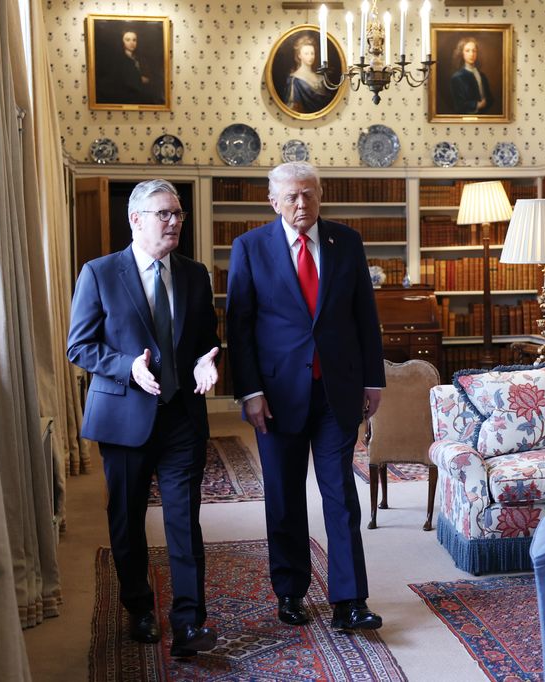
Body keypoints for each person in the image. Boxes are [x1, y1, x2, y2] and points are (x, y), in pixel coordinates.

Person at [225, 161, 386, 631]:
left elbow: (363, 317)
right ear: (273, 201)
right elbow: (240, 327)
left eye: (309, 195)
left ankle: (350, 600)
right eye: (292, 196)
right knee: (284, 495)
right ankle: (291, 592)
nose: (302, 204)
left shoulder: (346, 242)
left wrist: (372, 380)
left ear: (320, 196)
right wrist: (250, 391)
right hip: (275, 396)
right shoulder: (250, 248)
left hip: (337, 391)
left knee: (341, 497)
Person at [67, 179, 221, 657]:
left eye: (178, 213)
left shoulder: (195, 275)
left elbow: (204, 341)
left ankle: (190, 622)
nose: (174, 221)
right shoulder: (99, 273)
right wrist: (125, 365)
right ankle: (139, 608)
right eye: (164, 214)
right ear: (135, 219)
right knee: (128, 519)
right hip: (124, 417)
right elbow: (80, 345)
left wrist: (204, 362)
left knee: (183, 520)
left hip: (181, 416)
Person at [101, 28, 163, 104]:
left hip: (141, 97)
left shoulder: (140, 58)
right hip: (125, 98)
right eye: (127, 40)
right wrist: (139, 79)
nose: (132, 43)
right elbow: (119, 80)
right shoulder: (118, 60)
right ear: (122, 42)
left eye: (134, 40)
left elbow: (149, 77)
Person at [283, 34, 334, 114]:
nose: (310, 57)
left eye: (312, 53)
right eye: (306, 53)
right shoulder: (294, 80)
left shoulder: (320, 77)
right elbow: (292, 108)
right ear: (299, 55)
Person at [449, 36, 494, 114]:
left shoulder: (482, 76)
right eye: (467, 51)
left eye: (474, 51)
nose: (471, 54)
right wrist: (477, 105)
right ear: (462, 53)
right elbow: (459, 105)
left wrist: (486, 103)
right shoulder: (457, 77)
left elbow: (490, 99)